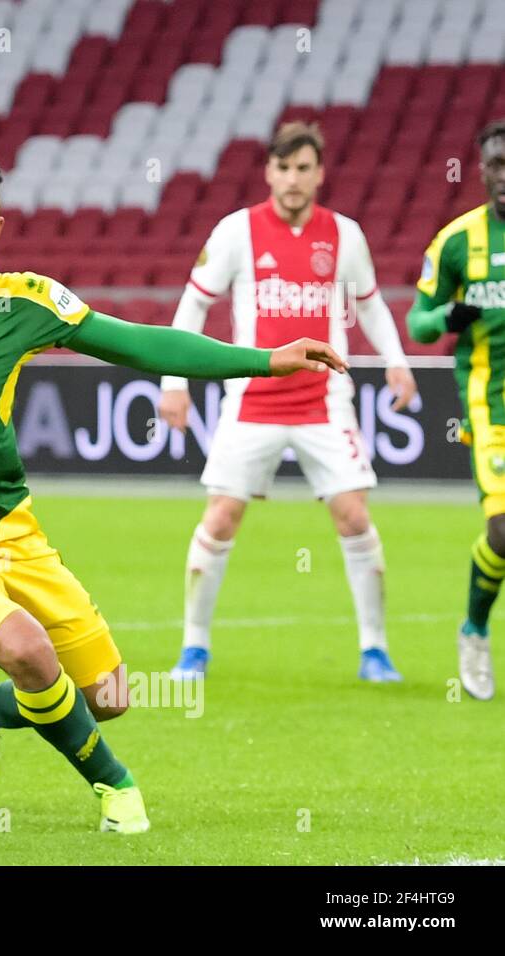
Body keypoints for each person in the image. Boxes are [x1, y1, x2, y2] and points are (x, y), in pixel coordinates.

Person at [0, 148, 347, 833]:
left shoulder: (24, 303)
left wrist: (263, 361)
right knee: (25, 650)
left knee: (106, 695)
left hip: (11, 534)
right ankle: (116, 789)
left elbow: (139, 345)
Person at [158, 121, 416, 683]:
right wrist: (173, 383)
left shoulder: (344, 234)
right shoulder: (236, 232)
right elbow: (194, 305)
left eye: (304, 168)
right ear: (269, 172)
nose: (293, 179)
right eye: (283, 167)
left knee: (353, 515)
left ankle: (375, 650)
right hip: (251, 402)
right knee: (222, 517)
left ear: (319, 174)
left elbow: (369, 305)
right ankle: (193, 649)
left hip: (324, 401)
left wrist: (397, 359)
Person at [406, 118, 505, 701]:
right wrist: (448, 318)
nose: (504, 177)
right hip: (490, 406)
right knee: (502, 529)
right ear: (482, 171)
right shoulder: (457, 242)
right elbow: (418, 322)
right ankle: (474, 628)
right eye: (495, 165)